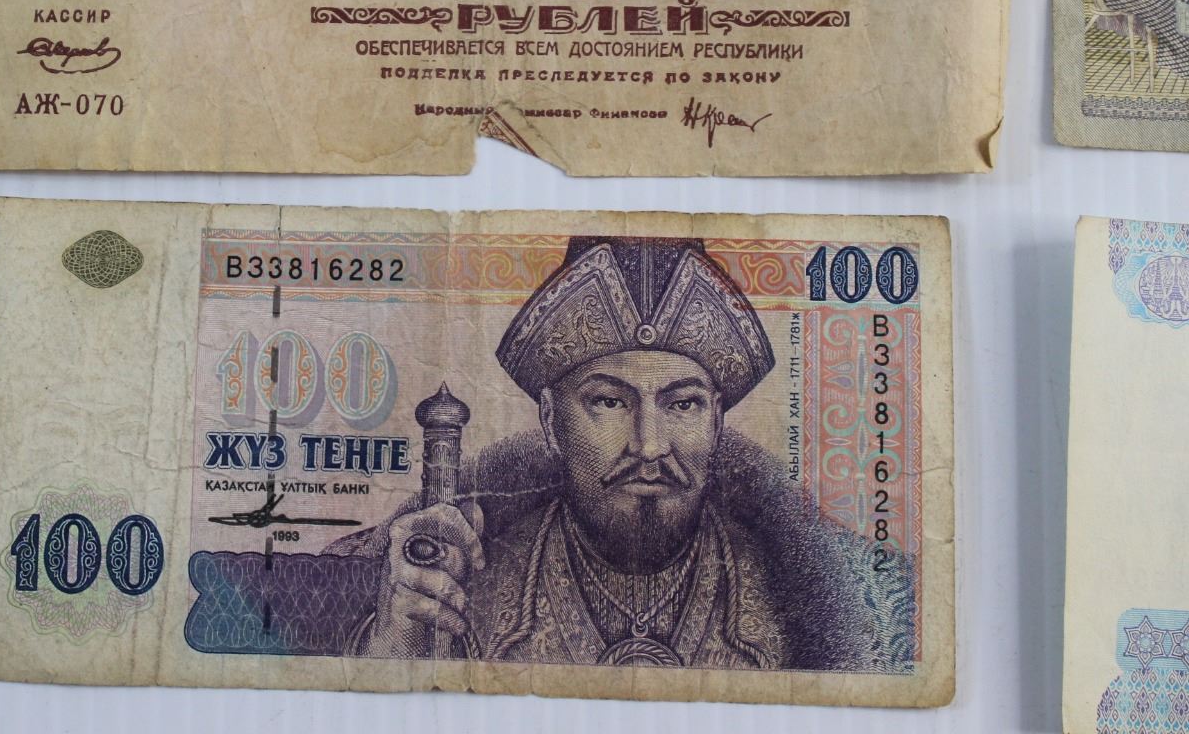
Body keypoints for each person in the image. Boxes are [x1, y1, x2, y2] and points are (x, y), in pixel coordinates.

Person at [352, 237, 898, 669]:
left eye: (682, 404)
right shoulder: (468, 590)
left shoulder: (788, 605)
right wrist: (397, 642)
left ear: (716, 420)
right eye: (610, 401)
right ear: (551, 421)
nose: (650, 445)